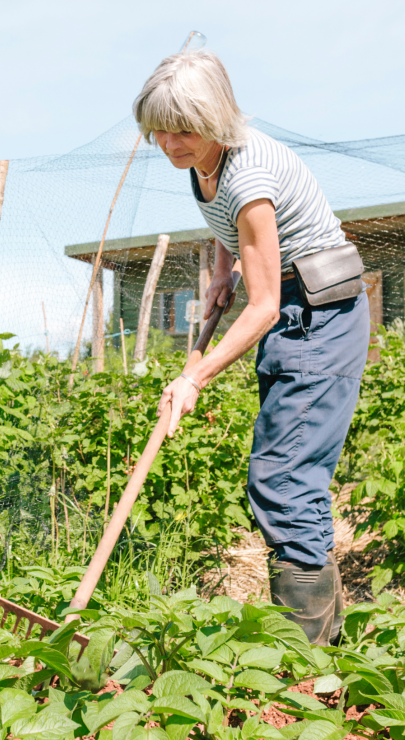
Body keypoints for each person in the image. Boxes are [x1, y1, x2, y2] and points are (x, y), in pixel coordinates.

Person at [133, 49, 369, 645]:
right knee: (287, 469)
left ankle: (308, 660)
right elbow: (228, 225)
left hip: (319, 312)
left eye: (183, 128)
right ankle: (324, 647)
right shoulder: (204, 162)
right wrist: (221, 269)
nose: (169, 142)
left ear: (215, 120)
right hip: (290, 299)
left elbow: (261, 307)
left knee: (284, 474)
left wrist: (194, 378)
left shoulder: (249, 176)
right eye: (158, 128)